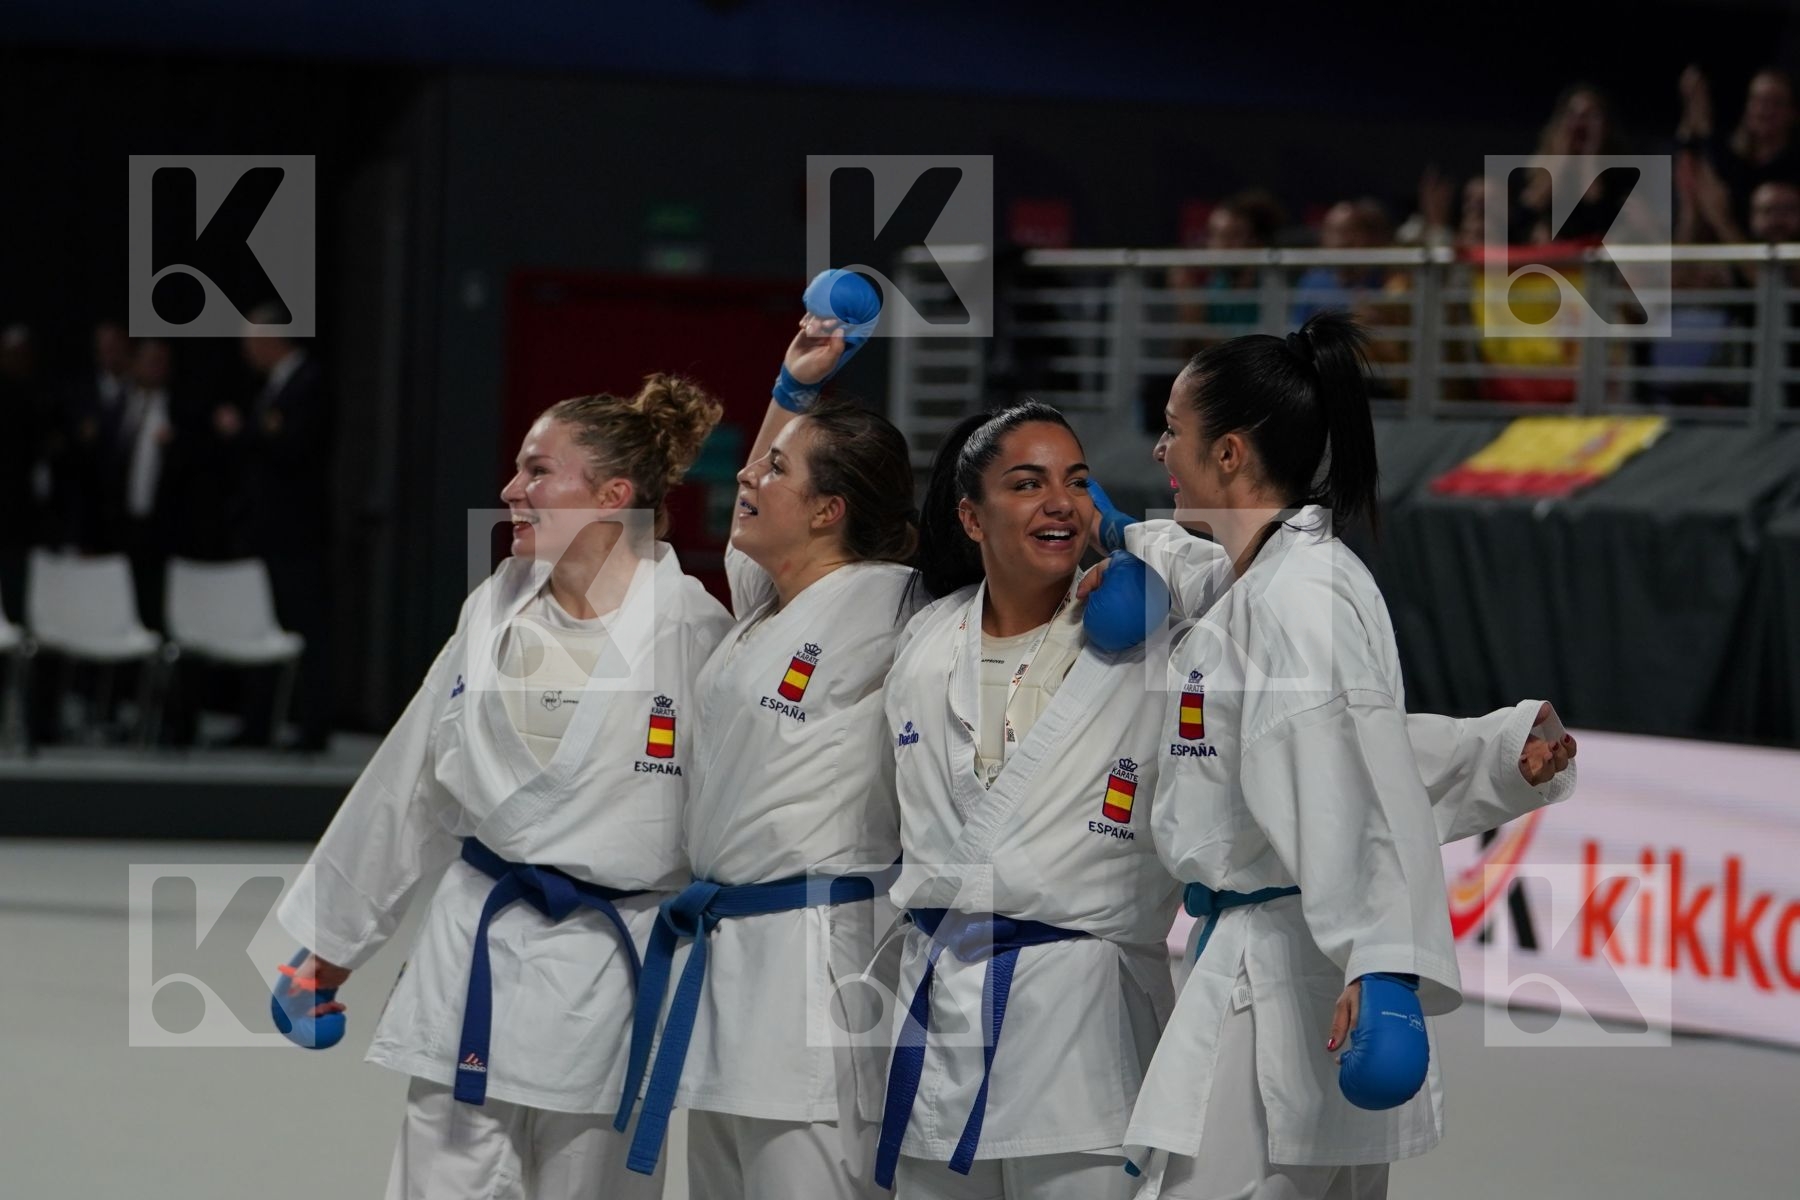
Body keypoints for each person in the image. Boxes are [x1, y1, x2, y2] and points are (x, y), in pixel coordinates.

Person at [1111, 312, 1578, 1199]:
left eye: (1174, 429)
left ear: (1231, 453)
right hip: (1280, 958)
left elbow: (1341, 779)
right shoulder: (1254, 578)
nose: (1161, 448)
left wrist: (1384, 958)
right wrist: (1487, 756)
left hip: (1298, 977)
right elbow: (1360, 749)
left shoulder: (1298, 600)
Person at [272, 374, 732, 1200]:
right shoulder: (495, 608)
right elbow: (410, 782)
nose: (510, 490)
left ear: (611, 496)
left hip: (610, 975)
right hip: (474, 953)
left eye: (537, 471)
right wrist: (332, 949)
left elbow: (739, 820)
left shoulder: (696, 632)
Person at [612, 276, 916, 1199]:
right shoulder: (767, 607)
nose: (748, 474)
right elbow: (753, 542)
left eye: (774, 472)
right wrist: (793, 390)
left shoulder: (898, 605)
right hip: (727, 961)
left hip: (817, 969)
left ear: (831, 512)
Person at [225, 308, 335, 749]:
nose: (246, 350)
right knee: (261, 625)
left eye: (252, 339)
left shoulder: (310, 382)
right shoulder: (271, 387)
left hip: (298, 532)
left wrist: (254, 432)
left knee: (307, 628)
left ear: (273, 338)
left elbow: (296, 447)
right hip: (266, 531)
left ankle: (312, 728)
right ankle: (258, 723)